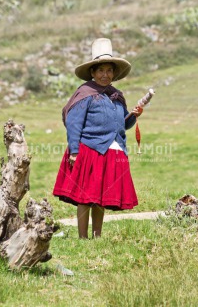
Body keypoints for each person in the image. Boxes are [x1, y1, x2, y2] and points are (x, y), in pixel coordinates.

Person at [53, 38, 143, 239]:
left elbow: (122, 125)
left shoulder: (116, 96)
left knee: (100, 197)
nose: (105, 75)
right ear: (92, 73)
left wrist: (134, 116)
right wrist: (74, 151)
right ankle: (83, 237)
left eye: (109, 70)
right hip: (88, 150)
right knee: (85, 197)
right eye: (100, 70)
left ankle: (97, 237)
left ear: (114, 73)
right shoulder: (85, 94)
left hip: (111, 150)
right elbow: (74, 124)